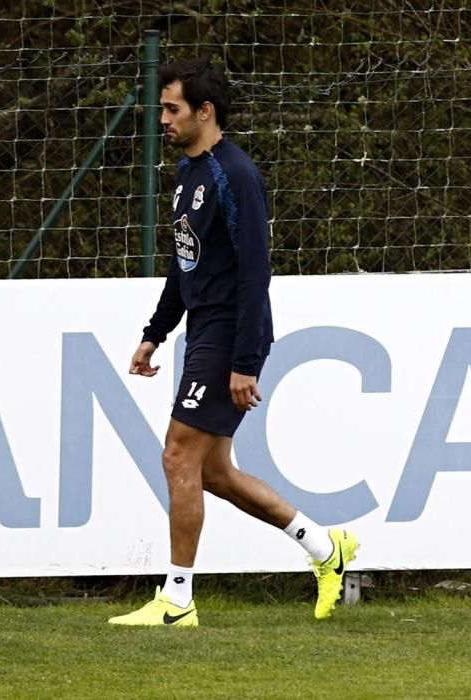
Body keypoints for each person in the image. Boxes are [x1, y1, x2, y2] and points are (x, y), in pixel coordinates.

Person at [108, 57, 358, 627]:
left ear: (205, 111)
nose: (162, 119)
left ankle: (176, 601)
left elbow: (254, 272)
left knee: (177, 456)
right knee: (213, 471)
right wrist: (155, 332)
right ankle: (325, 548)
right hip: (204, 331)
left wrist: (245, 361)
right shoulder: (188, 172)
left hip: (229, 336)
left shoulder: (235, 175)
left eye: (172, 109)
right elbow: (184, 262)